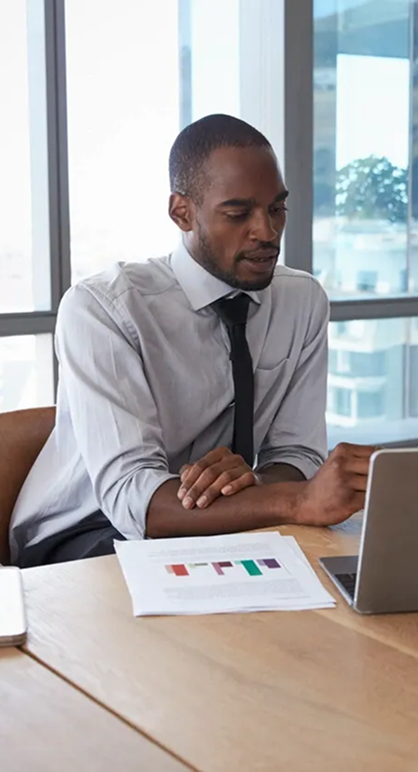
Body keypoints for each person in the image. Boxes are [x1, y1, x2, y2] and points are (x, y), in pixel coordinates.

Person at [10, 113, 372, 567]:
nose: (267, 232)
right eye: (238, 214)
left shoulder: (301, 301)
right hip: (86, 533)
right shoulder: (102, 308)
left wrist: (253, 484)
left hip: (218, 525)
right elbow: (132, 500)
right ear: (182, 212)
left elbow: (296, 454)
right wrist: (294, 500)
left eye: (277, 208)